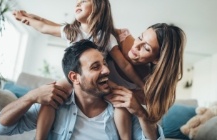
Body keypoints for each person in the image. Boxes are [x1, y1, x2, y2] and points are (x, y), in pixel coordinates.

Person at [13, 0, 143, 139]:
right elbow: (44, 26)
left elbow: (124, 65)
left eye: (83, 1)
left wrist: (142, 85)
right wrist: (26, 19)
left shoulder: (106, 37)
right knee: (50, 99)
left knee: (120, 100)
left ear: (98, 8)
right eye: (77, 2)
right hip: (72, 78)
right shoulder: (71, 31)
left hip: (97, 80)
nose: (77, 4)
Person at [0, 40, 165, 140]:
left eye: (104, 63)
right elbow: (0, 128)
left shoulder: (122, 109)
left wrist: (142, 113)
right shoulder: (55, 104)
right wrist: (30, 97)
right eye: (96, 67)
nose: (106, 70)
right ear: (74, 77)